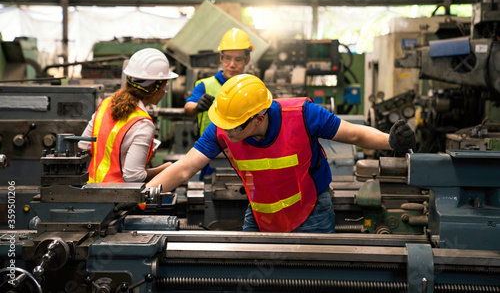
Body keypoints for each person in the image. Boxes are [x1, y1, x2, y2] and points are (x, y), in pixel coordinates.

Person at [147, 74, 415, 233]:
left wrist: (391, 141)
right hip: (260, 212)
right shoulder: (223, 128)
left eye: (233, 126)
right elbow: (184, 168)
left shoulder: (302, 114)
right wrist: (139, 196)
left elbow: (353, 134)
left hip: (311, 210)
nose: (226, 133)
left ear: (259, 117)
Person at [79, 48, 177, 184]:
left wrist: (116, 156)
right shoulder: (143, 124)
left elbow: (84, 145)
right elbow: (132, 177)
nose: (165, 91)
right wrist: (165, 169)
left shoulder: (106, 103)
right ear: (156, 87)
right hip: (118, 198)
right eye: (165, 86)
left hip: (90, 189)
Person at [183, 27, 254, 179]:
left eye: (238, 59)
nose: (232, 64)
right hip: (210, 154)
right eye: (227, 58)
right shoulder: (205, 85)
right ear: (221, 58)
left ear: (247, 60)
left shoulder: (253, 86)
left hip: (245, 156)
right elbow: (188, 108)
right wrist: (198, 106)